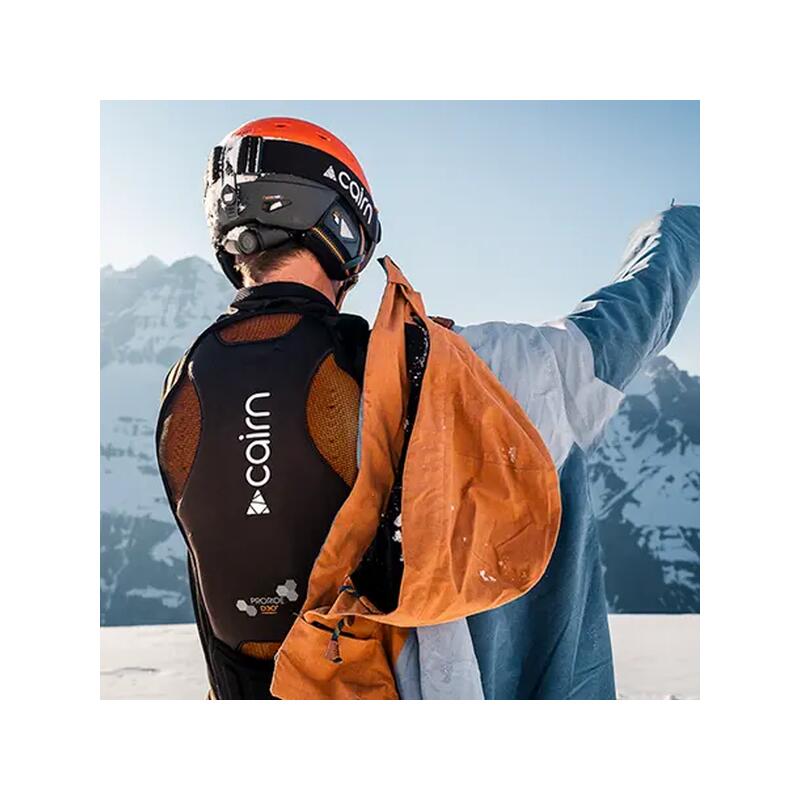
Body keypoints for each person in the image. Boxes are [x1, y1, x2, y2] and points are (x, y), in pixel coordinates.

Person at [156, 116, 700, 700]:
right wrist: (681, 231)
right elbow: (613, 336)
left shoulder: (184, 384)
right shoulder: (425, 371)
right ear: (340, 227)